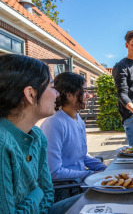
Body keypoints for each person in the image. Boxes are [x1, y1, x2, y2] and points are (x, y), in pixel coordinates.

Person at [0, 54, 80, 213]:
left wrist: (38, 195)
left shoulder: (37, 136)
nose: (57, 94)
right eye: (51, 87)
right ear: (30, 94)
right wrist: (36, 193)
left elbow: (48, 193)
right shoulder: (3, 145)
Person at [41, 72, 107, 182]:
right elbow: (54, 172)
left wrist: (107, 169)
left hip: (80, 182)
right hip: (67, 188)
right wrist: (90, 174)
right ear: (69, 95)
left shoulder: (78, 120)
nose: (88, 96)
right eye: (84, 91)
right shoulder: (54, 124)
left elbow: (82, 157)